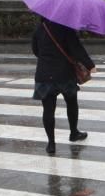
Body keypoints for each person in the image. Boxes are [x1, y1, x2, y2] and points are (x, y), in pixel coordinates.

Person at [31, 17, 95, 155]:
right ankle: (73, 133)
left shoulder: (40, 28)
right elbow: (76, 49)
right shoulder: (65, 27)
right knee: (71, 103)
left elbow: (35, 50)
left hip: (44, 74)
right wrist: (90, 65)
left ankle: (51, 143)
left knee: (48, 110)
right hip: (64, 73)